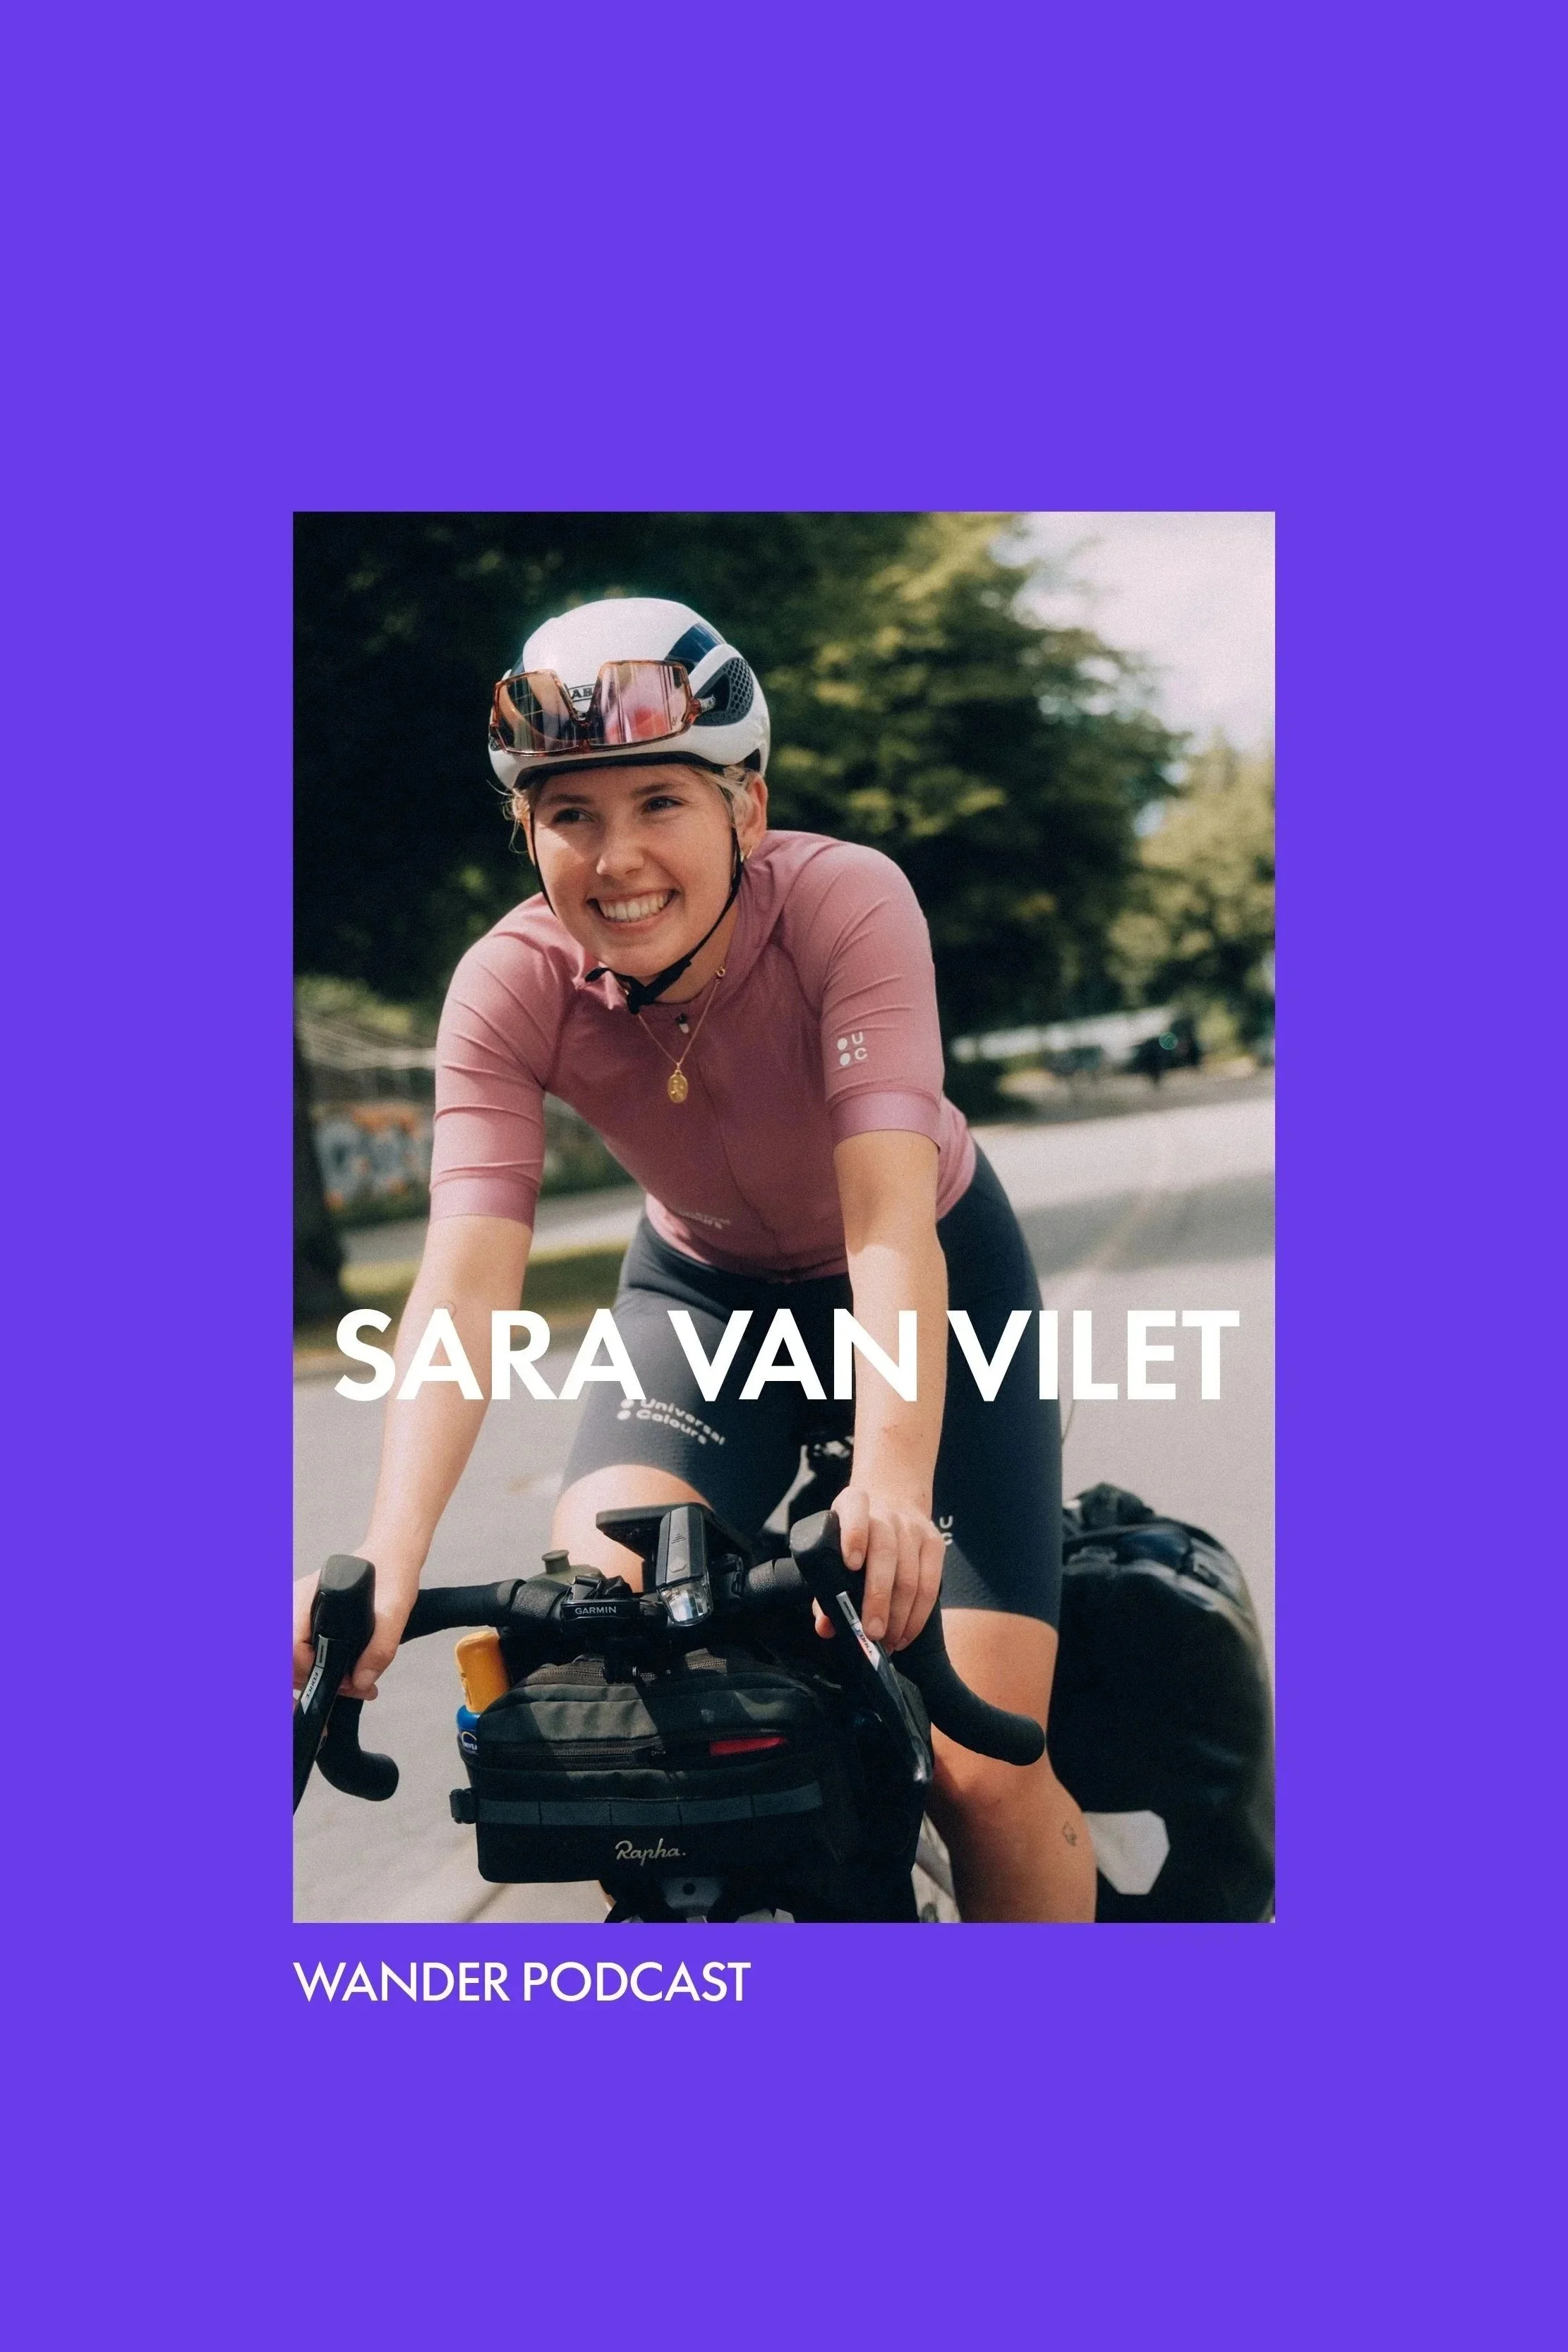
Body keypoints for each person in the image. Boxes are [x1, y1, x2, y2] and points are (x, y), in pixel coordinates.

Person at [294, 596, 1096, 1922]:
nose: (616, 860)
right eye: (569, 816)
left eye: (659, 800)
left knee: (982, 1765)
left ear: (746, 806)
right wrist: (386, 1550)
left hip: (918, 1277)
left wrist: (893, 1483)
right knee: (607, 1645)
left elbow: (887, 1220)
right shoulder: (507, 983)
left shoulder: (848, 903)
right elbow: (462, 1284)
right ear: (526, 834)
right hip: (703, 1301)